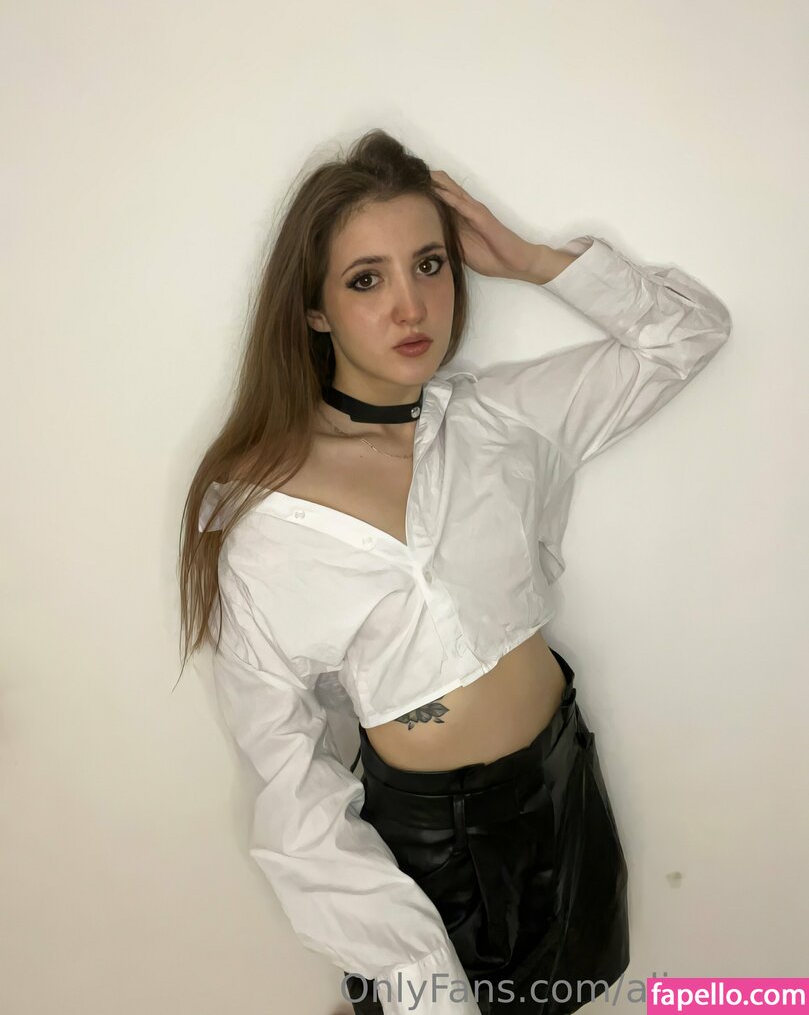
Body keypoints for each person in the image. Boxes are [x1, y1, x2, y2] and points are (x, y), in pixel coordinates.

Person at [177, 129, 732, 1015]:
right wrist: (415, 971)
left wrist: (535, 262)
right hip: (430, 858)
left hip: (565, 795)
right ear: (314, 309)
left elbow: (688, 335)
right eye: (367, 280)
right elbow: (290, 778)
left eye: (428, 265)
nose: (412, 307)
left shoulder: (502, 419)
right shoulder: (259, 518)